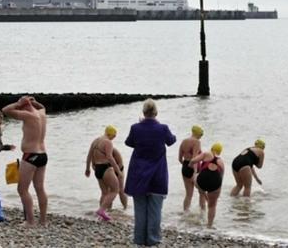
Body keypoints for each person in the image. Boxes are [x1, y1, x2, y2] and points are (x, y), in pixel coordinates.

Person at [124, 99, 176, 246]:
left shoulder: (135, 128)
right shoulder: (162, 128)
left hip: (138, 173)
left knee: (140, 208)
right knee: (155, 208)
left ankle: (139, 238)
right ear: (156, 112)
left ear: (144, 112)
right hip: (157, 174)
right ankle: (153, 239)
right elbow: (171, 141)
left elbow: (129, 143)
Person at [2, 96, 48, 227]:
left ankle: (30, 221)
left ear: (23, 107)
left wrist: (18, 103)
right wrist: (34, 102)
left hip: (31, 155)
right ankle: (43, 221)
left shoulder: (28, 116)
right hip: (43, 154)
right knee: (40, 188)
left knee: (22, 189)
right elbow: (42, 106)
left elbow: (5, 110)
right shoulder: (41, 113)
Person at [85, 125, 123, 221]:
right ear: (110, 134)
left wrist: (87, 168)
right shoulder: (107, 142)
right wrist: (118, 171)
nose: (113, 139)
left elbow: (89, 155)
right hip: (106, 168)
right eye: (113, 136)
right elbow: (110, 158)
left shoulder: (96, 141)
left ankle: (101, 213)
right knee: (115, 190)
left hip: (97, 169)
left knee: (104, 192)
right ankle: (101, 210)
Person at [189, 142, 224, 228]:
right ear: (219, 152)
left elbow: (193, 161)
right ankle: (209, 225)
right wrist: (218, 190)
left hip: (201, 181)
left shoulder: (206, 153)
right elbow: (221, 177)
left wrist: (190, 166)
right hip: (215, 183)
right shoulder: (221, 162)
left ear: (212, 148)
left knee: (195, 177)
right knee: (212, 205)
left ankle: (201, 214)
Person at [178, 125, 205, 212]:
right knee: (202, 193)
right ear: (198, 133)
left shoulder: (184, 141)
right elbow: (194, 159)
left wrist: (186, 166)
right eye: (201, 135)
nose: (201, 137)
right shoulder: (196, 142)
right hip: (194, 168)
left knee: (188, 194)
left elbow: (179, 158)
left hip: (185, 167)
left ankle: (185, 213)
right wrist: (194, 171)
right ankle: (203, 213)